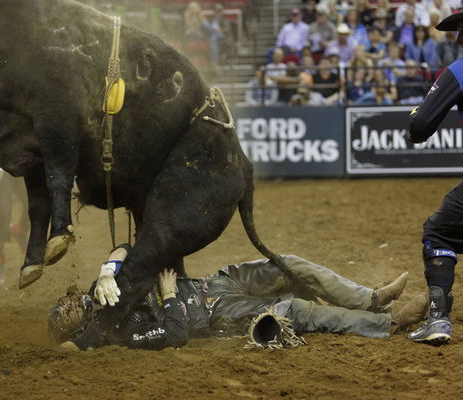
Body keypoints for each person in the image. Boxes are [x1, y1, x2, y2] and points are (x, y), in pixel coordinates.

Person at [50, 246, 427, 351]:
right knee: (295, 310)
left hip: (218, 282)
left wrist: (106, 268)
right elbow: (176, 336)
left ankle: (372, 299)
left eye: (62, 305)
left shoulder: (106, 288)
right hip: (218, 313)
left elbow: (124, 247)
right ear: (77, 326)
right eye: (62, 314)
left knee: (288, 265)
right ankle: (388, 322)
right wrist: (167, 298)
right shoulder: (118, 332)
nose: (65, 306)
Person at [407, 10, 463, 345]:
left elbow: (421, 126)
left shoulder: (458, 71)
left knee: (438, 233)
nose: (457, 38)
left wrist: (414, 118)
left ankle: (438, 319)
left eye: (461, 30)